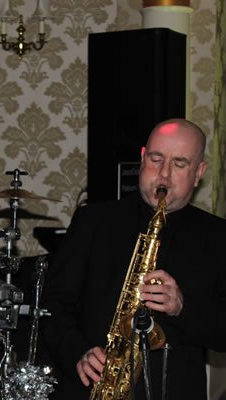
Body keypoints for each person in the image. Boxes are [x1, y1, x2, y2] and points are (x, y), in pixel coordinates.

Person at [42, 118, 226, 399]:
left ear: (198, 172)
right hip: (94, 388)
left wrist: (182, 307)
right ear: (142, 158)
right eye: (156, 159)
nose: (164, 174)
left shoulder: (218, 236)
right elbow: (52, 307)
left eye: (179, 164)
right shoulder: (93, 221)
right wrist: (79, 353)